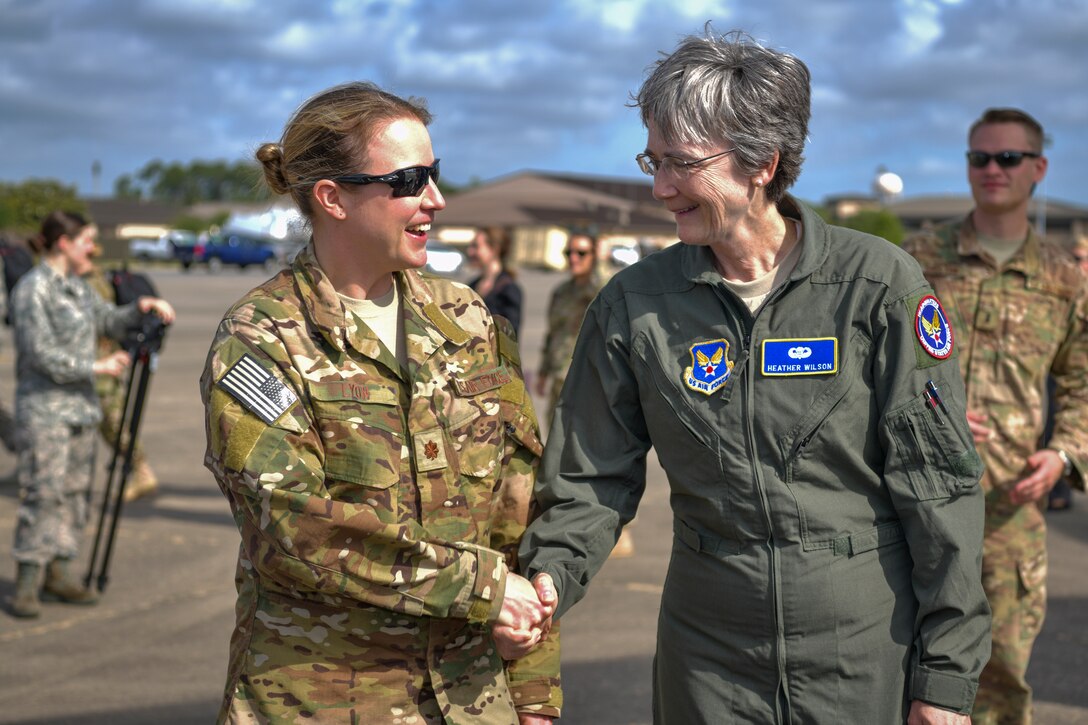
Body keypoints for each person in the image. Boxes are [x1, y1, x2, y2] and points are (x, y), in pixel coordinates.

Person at [514, 29, 991, 723]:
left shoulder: (876, 286)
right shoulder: (634, 305)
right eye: (653, 159)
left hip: (859, 649)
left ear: (761, 164)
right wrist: (551, 574)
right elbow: (589, 475)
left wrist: (946, 677)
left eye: (681, 163)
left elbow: (939, 489)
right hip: (707, 655)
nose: (659, 186)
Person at [199, 81, 560, 724]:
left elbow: (518, 503)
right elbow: (293, 527)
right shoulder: (261, 337)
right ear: (332, 198)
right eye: (409, 180)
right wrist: (482, 590)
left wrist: (533, 690)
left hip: (473, 699)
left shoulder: (467, 319)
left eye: (435, 174)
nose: (436, 200)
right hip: (326, 700)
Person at [903, 107, 1088, 725]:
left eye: (1007, 158)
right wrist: (930, 408)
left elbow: (1084, 381)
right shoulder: (918, 260)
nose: (991, 169)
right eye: (979, 157)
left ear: (1037, 168)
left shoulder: (1065, 279)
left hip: (1009, 510)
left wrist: (1064, 453)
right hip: (913, 505)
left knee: (1000, 683)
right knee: (903, 679)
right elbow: (877, 361)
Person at [9, 210, 174, 618]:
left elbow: (108, 319)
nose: (92, 247)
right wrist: (94, 368)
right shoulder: (34, 290)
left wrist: (141, 307)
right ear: (63, 243)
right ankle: (27, 581)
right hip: (45, 410)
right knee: (43, 493)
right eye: (86, 239)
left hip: (81, 409)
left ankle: (59, 573)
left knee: (74, 494)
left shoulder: (79, 288)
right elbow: (38, 353)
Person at [83, 259, 160, 502]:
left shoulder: (89, 280)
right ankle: (140, 470)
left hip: (102, 361)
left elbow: (104, 320)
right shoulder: (91, 275)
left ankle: (141, 469)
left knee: (113, 423)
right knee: (110, 424)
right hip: (97, 361)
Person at [467, 226, 524, 334]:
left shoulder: (509, 289)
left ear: (494, 249)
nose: (470, 252)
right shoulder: (472, 285)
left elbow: (510, 334)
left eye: (476, 246)